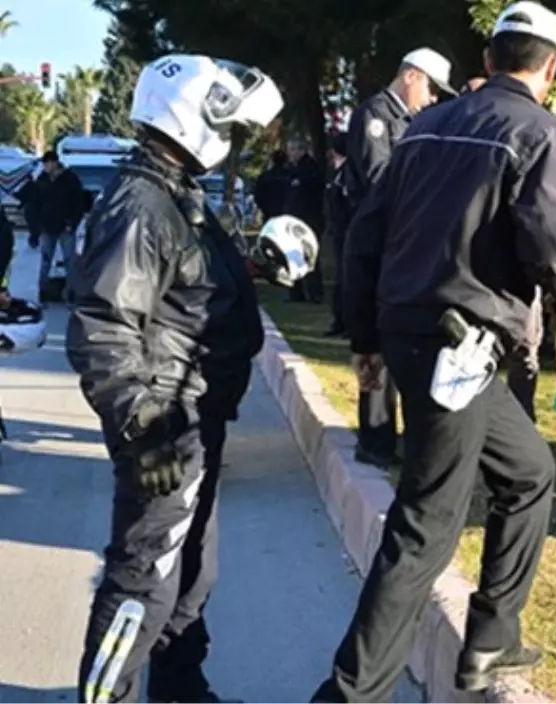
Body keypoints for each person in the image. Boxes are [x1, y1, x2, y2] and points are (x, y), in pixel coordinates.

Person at [313, 2, 556, 699]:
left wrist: (366, 335)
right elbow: (552, 236)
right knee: (425, 528)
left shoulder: (424, 127)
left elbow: (367, 232)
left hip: (416, 335)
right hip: (459, 343)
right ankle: (350, 694)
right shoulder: (540, 130)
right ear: (551, 68)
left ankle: (492, 640)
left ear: (490, 58)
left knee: (529, 472)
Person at [65, 53, 284, 704]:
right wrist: (144, 424)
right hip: (161, 421)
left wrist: (253, 271)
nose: (233, 137)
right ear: (191, 114)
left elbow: (185, 289)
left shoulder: (175, 192)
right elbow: (103, 324)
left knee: (190, 574)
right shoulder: (142, 202)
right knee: (142, 582)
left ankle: (180, 692)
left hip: (195, 418)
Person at [342, 46, 456, 470]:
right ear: (411, 75)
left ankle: (399, 436)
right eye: (430, 88)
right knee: (372, 344)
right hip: (373, 247)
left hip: (401, 247)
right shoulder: (375, 116)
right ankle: (374, 439)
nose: (432, 100)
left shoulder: (411, 122)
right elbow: (379, 182)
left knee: (401, 341)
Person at [461, 74, 543, 420]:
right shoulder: (460, 148)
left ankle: (521, 415)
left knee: (525, 350)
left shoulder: (522, 140)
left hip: (514, 269)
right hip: (471, 271)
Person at [33, 150, 88, 301]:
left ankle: (71, 293)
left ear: (54, 163)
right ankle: (42, 292)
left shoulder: (70, 179)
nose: (45, 166)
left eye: (47, 163)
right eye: (44, 164)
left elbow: (78, 204)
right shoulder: (41, 179)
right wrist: (36, 228)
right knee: (45, 261)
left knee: (70, 261)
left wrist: (72, 223)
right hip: (47, 227)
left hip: (66, 227)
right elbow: (36, 203)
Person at [283, 135, 327, 304]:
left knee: (309, 256)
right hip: (293, 220)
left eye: (294, 150)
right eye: (289, 150)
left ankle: (315, 293)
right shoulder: (292, 170)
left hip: (308, 219)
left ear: (302, 150)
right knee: (293, 256)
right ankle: (296, 292)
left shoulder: (310, 169)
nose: (291, 153)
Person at [324, 131, 352, 338]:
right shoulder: (337, 174)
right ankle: (339, 321)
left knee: (347, 279)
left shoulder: (348, 174)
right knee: (340, 279)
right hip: (339, 231)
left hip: (347, 231)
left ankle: (348, 323)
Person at [253, 150, 289, 221]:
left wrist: (264, 209)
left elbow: (258, 196)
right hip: (286, 215)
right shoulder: (290, 176)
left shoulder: (265, 177)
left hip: (269, 214)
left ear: (272, 160)